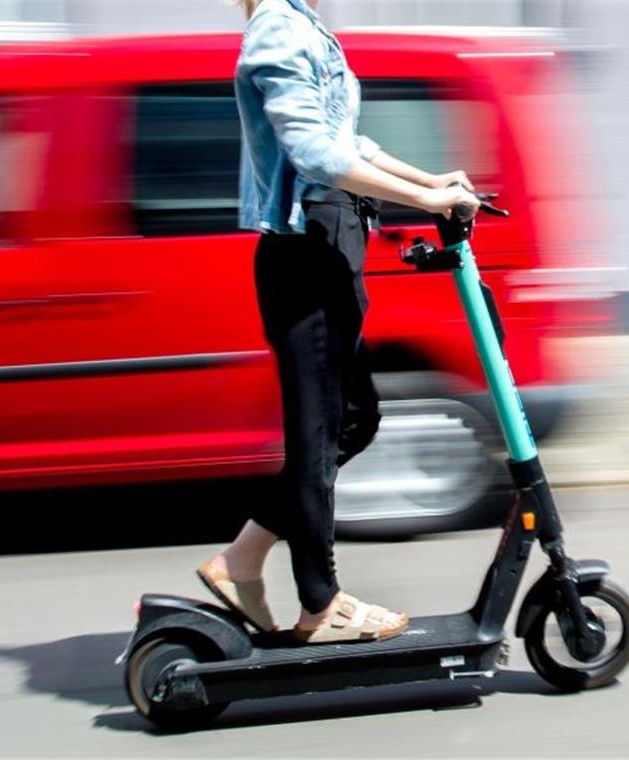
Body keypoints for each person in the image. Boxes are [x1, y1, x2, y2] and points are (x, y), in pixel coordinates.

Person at [197, 0, 480, 644]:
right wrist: (431, 200)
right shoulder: (277, 26)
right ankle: (320, 604)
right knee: (319, 432)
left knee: (353, 421)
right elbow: (314, 152)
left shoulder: (303, 23)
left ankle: (241, 558)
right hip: (308, 248)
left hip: (334, 240)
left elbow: (348, 141)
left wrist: (430, 178)